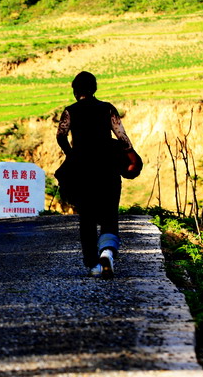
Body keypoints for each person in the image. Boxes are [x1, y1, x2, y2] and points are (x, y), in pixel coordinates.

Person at [56, 71, 138, 278]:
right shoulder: (107, 108)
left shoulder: (70, 111)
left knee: (87, 217)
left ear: (75, 91)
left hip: (82, 167)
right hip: (107, 165)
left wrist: (71, 153)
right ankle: (108, 252)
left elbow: (61, 135)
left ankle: (93, 263)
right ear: (94, 89)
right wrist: (131, 155)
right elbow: (121, 136)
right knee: (110, 212)